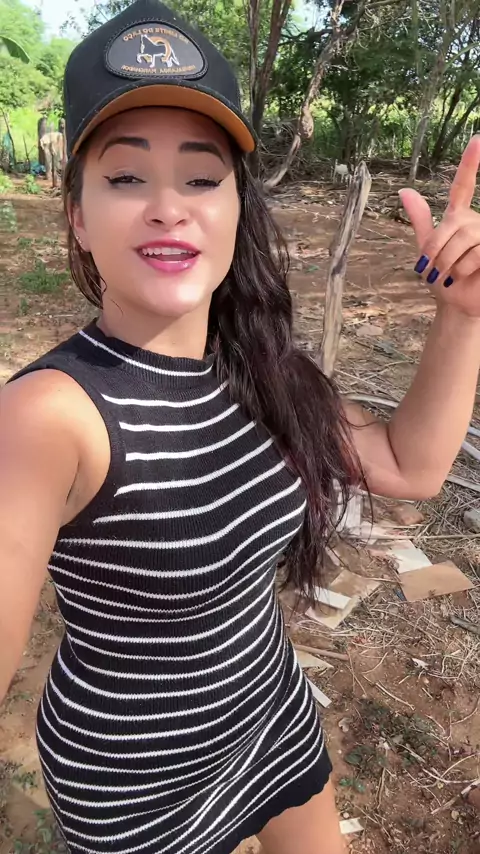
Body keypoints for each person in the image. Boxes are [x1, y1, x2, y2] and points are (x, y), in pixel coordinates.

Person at [1, 1, 480, 852]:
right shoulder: (51, 413)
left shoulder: (262, 370)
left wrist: (463, 317)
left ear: (235, 206)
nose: (167, 207)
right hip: (136, 784)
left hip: (268, 712)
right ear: (76, 214)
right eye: (125, 177)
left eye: (200, 177)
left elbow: (409, 467)